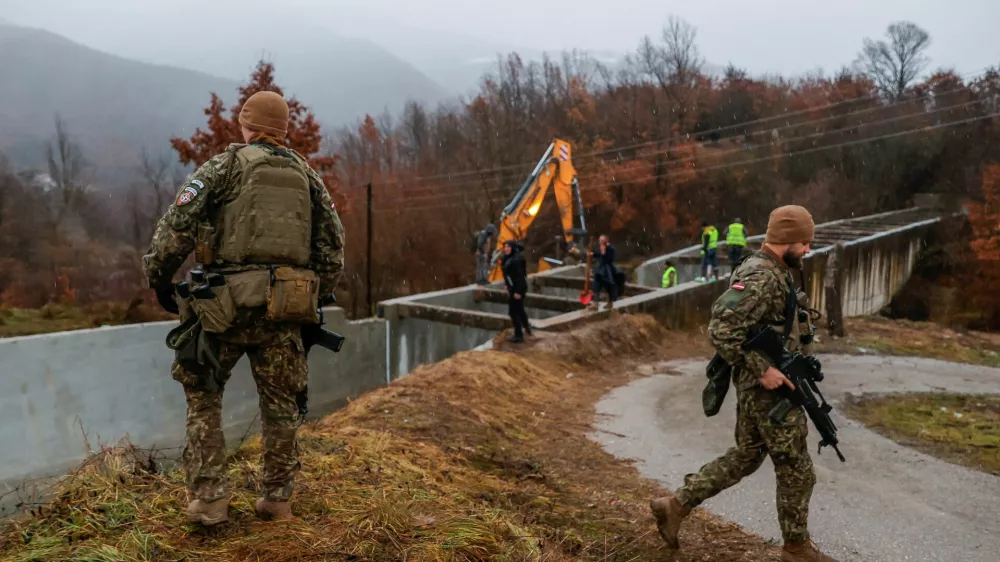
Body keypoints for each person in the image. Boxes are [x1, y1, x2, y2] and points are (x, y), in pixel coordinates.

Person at [142, 91, 345, 526]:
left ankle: (210, 498)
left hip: (224, 309)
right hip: (284, 311)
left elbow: (176, 228)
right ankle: (277, 499)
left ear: (246, 125)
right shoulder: (308, 176)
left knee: (203, 394)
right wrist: (311, 295)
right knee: (281, 405)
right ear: (283, 130)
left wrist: (159, 278)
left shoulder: (224, 166)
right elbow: (333, 248)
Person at [649, 205, 838, 562]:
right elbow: (721, 328)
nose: (808, 249)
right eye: (804, 242)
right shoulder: (761, 275)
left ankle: (675, 505)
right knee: (796, 468)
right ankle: (796, 549)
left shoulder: (770, 270)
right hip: (768, 389)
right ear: (787, 239)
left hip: (766, 384)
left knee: (747, 455)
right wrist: (763, 370)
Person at [501, 240, 531, 342]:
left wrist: (518, 292)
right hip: (513, 287)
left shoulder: (516, 260)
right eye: (505, 247)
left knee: (513, 312)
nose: (506, 249)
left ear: (513, 248)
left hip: (518, 288)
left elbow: (520, 277)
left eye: (508, 247)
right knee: (520, 309)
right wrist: (507, 285)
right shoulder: (507, 258)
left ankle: (519, 335)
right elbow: (507, 275)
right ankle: (527, 326)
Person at [591, 234, 619, 310]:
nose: (600, 242)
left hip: (607, 270)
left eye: (602, 240)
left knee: (608, 287)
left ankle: (610, 302)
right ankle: (595, 303)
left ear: (606, 241)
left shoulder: (611, 248)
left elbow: (609, 259)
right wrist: (592, 254)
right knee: (596, 286)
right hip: (599, 270)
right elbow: (597, 254)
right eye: (600, 240)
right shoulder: (599, 247)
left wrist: (604, 253)